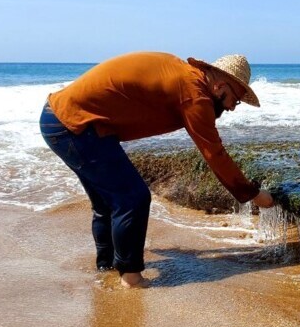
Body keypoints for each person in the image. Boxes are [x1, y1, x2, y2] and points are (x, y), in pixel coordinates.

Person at [39, 52, 274, 288]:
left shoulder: (182, 73)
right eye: (236, 99)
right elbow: (214, 153)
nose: (233, 107)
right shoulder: (195, 94)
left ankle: (107, 267)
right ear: (221, 85)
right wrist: (252, 194)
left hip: (64, 119)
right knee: (133, 197)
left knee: (107, 204)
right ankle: (130, 277)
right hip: (74, 126)